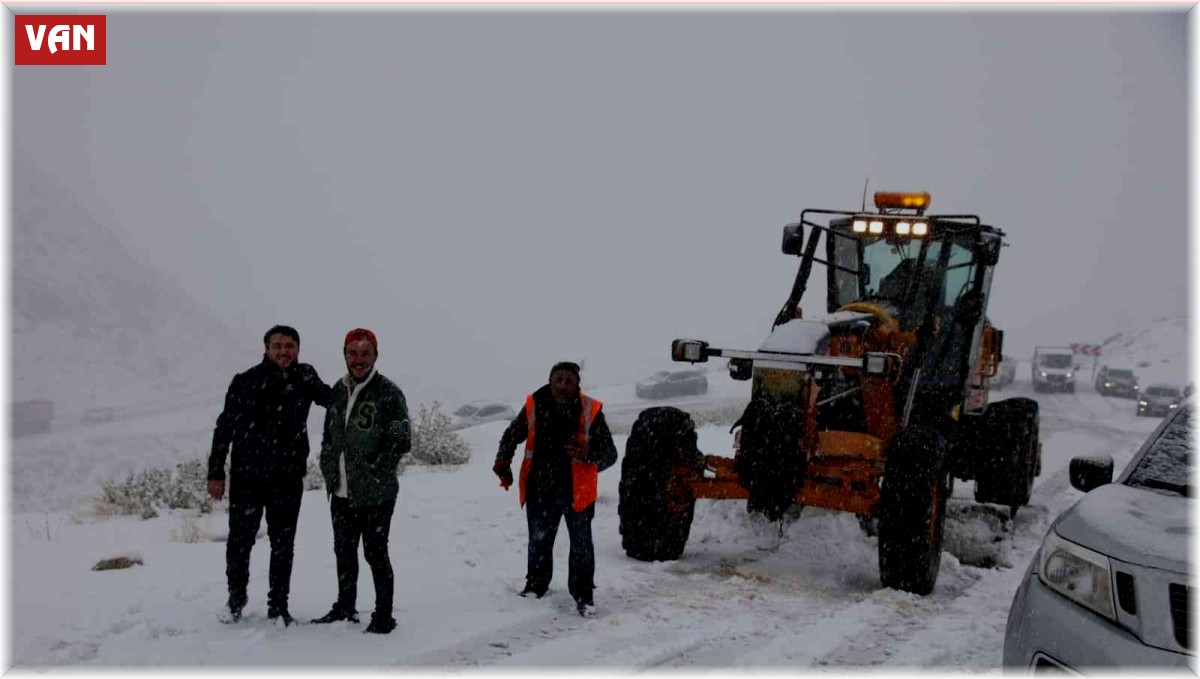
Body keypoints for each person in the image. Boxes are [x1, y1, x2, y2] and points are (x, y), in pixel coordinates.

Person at [208, 325, 333, 625]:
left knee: (283, 543)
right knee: (240, 541)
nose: (283, 351)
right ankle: (235, 599)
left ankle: (279, 606)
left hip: (287, 477)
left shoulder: (305, 378)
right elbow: (224, 428)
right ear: (266, 349)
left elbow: (333, 401)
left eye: (289, 345)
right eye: (277, 345)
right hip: (247, 476)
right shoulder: (246, 381)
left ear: (298, 350)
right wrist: (216, 473)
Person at [492, 361, 617, 617]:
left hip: (576, 493)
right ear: (550, 381)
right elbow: (511, 434)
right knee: (538, 541)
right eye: (558, 379)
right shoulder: (534, 405)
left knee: (581, 546)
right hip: (541, 489)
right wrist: (503, 461)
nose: (562, 385)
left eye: (568, 380)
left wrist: (588, 454)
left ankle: (583, 596)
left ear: (577, 384)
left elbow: (610, 454)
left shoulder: (590, 410)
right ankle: (535, 586)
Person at [312, 328, 411, 634]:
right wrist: (328, 461)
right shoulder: (338, 391)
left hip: (375, 493)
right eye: (352, 353)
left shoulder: (389, 393)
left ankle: (384, 615)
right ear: (344, 355)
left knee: (375, 553)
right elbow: (330, 433)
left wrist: (375, 468)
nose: (358, 359)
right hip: (341, 491)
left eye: (365, 353)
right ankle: (345, 606)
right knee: (343, 551)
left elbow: (401, 439)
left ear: (375, 356)